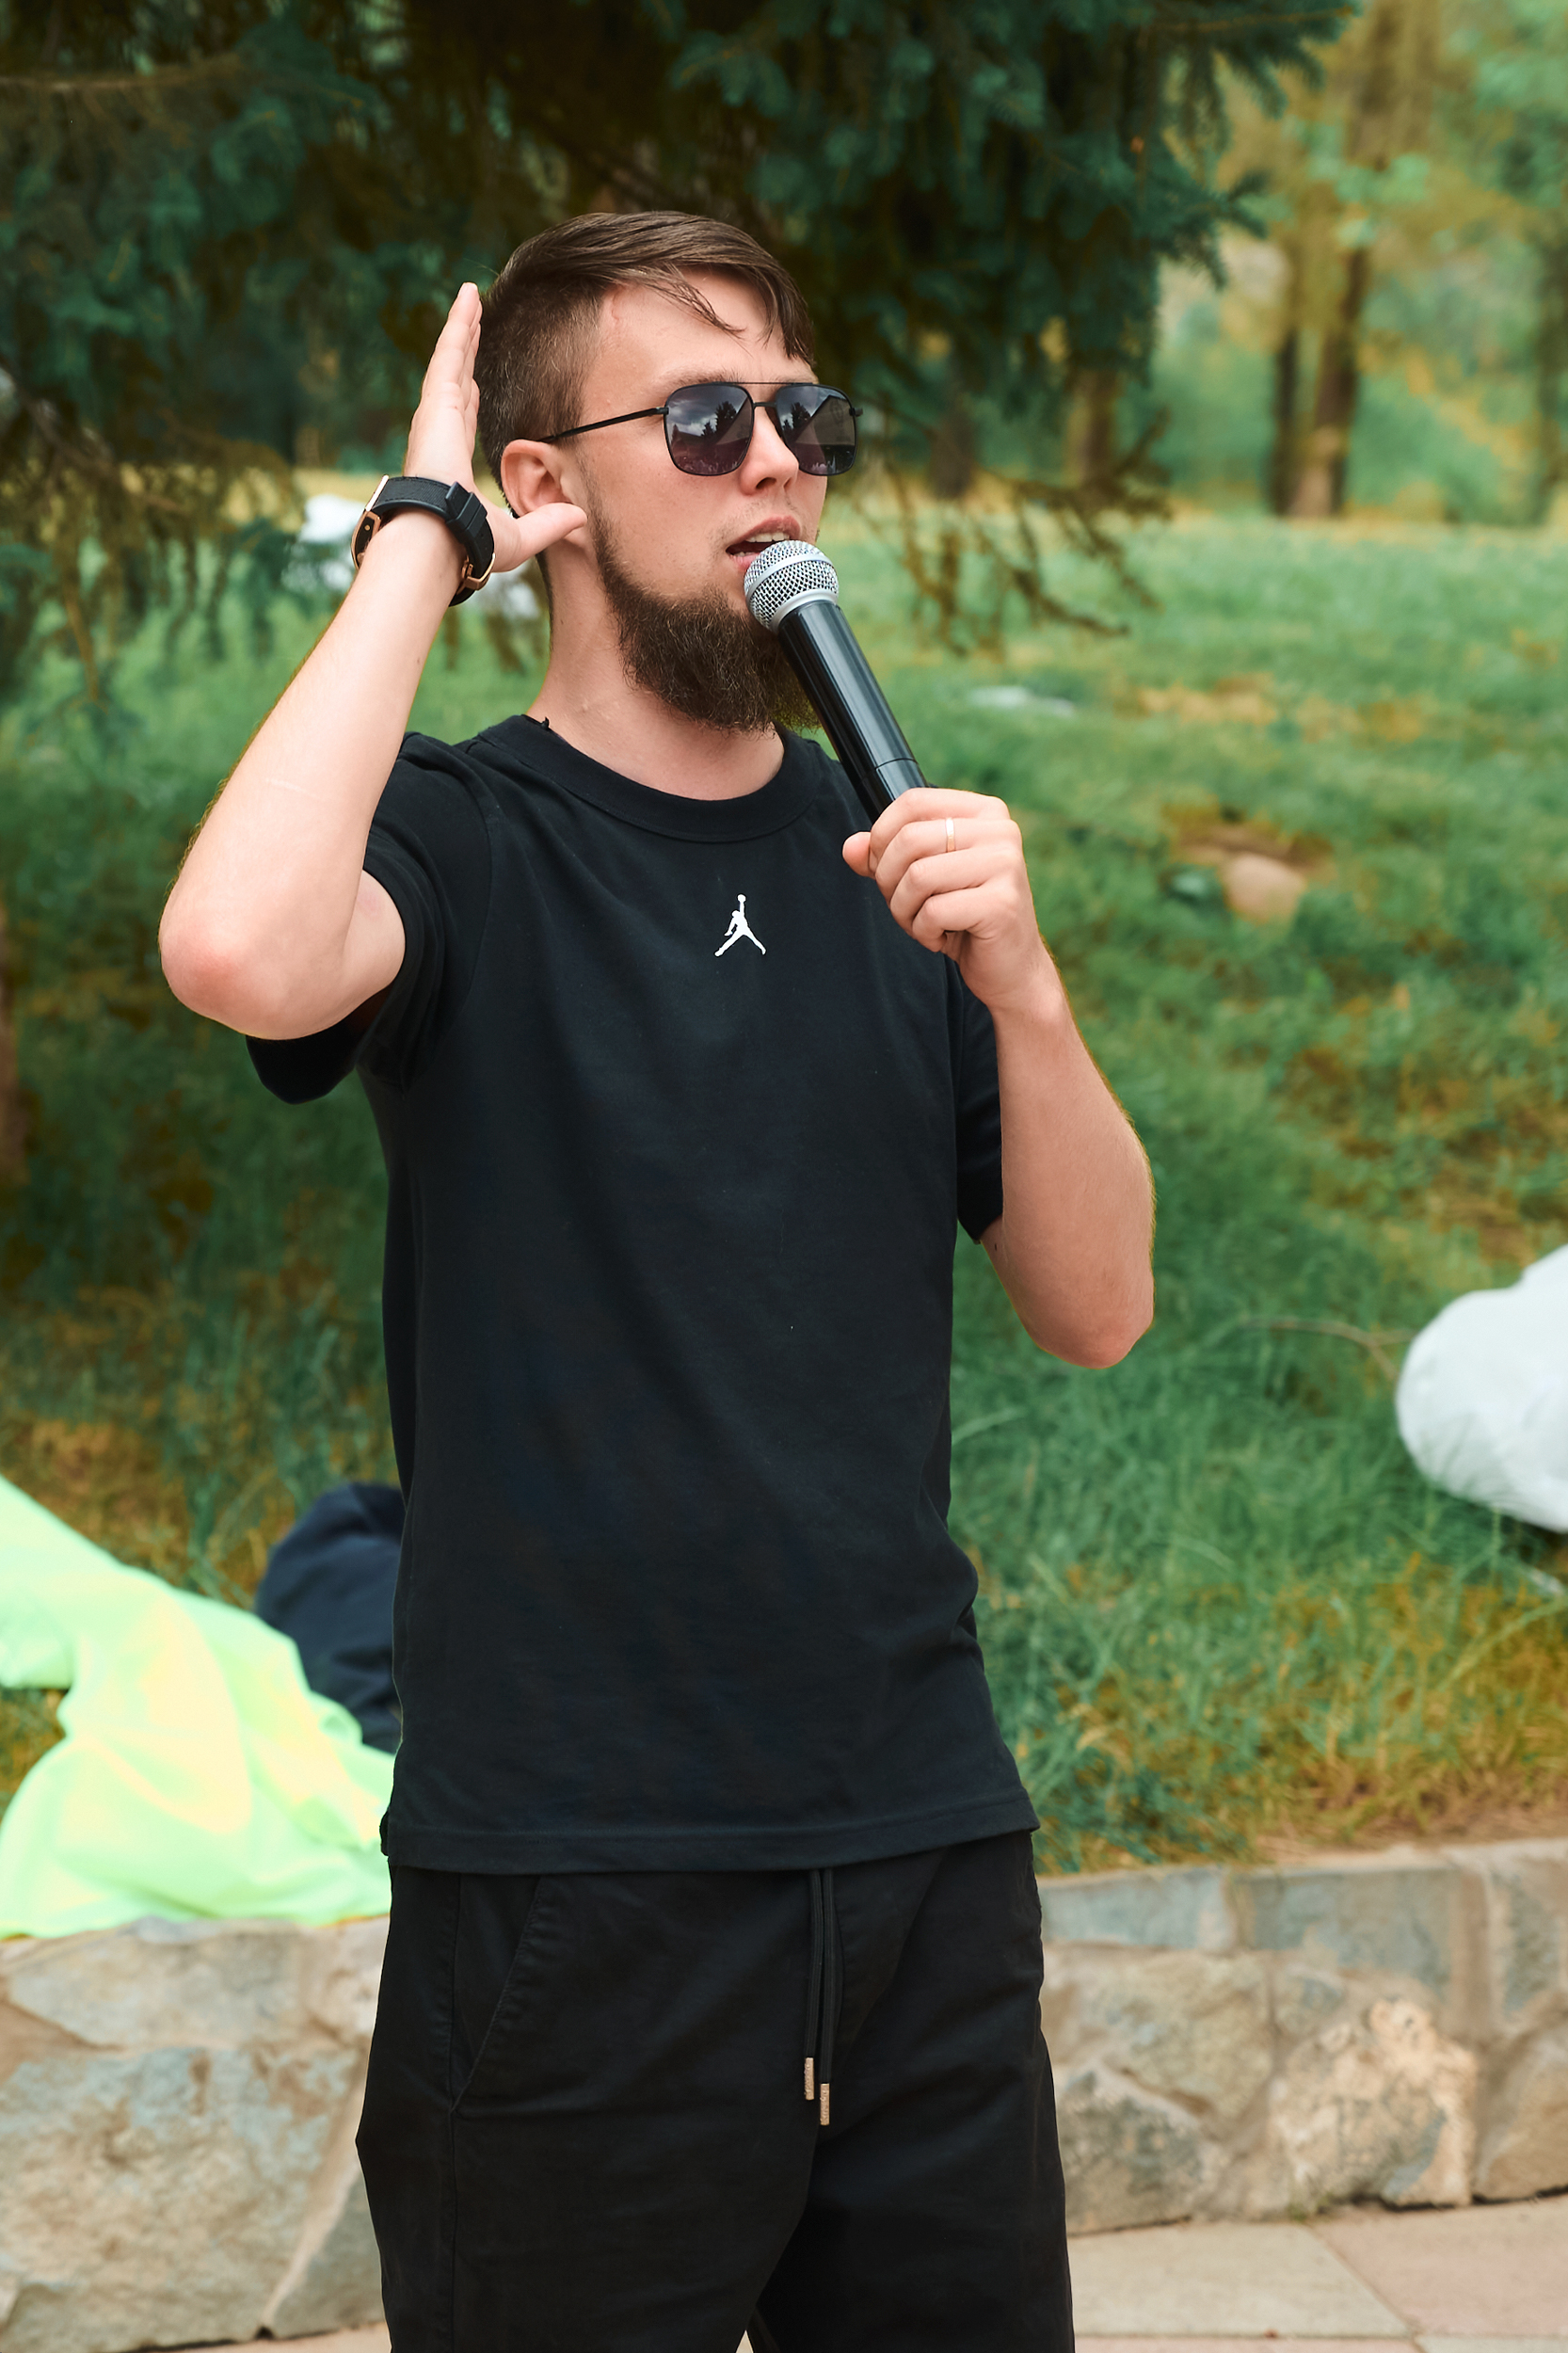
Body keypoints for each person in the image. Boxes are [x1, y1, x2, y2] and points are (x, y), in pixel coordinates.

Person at [160, 211, 1154, 2353]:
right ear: (550, 488)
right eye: (703, 420)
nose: (775, 461)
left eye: (801, 414)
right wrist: (420, 538)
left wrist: (1028, 987)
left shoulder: (897, 865)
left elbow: (1098, 1309)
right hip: (570, 1893)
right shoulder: (461, 841)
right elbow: (238, 946)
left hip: (919, 1857)